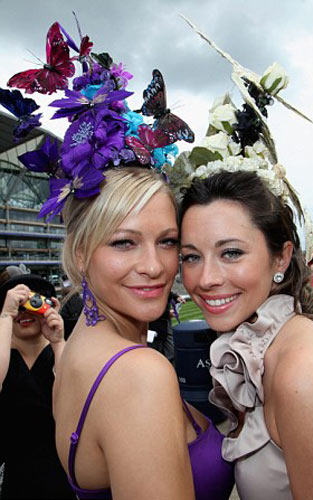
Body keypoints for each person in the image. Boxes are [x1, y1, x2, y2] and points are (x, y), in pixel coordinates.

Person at [12, 20, 234, 500]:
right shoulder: (138, 374)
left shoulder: (69, 355)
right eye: (124, 242)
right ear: (79, 251)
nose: (155, 266)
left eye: (169, 241)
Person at [171, 23, 313, 500]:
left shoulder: (305, 370)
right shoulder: (261, 347)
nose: (205, 279)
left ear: (281, 256)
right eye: (190, 256)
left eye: (231, 252)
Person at [0, 266, 75, 499]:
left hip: (62, 474)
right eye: (18, 308)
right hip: (15, 477)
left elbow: (74, 401)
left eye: (33, 303)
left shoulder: (63, 349)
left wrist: (58, 341)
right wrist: (4, 316)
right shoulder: (4, 356)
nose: (25, 313)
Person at [148, 291, 186, 362]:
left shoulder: (163, 287)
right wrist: (167, 313)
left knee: (171, 352)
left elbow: (167, 292)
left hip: (164, 325)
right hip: (153, 328)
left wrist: (176, 297)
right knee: (156, 353)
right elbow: (147, 308)